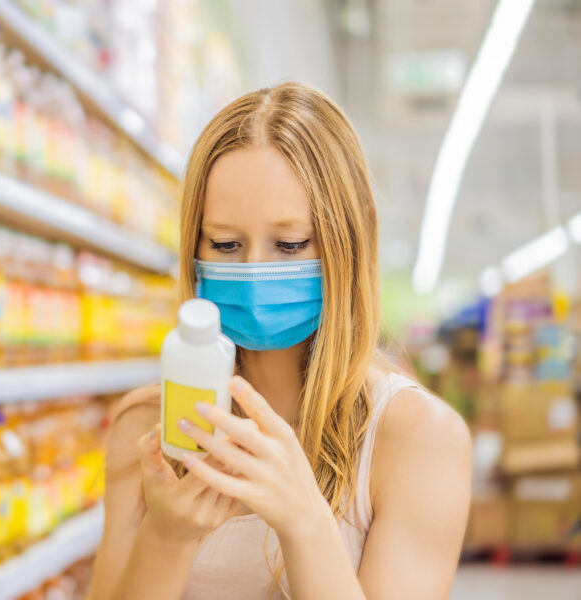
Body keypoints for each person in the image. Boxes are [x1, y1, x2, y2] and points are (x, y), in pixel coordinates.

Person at [89, 83, 471, 600]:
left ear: (347, 244)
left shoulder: (418, 438)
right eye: (224, 244)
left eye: (290, 244)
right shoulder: (146, 428)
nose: (254, 271)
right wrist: (168, 535)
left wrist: (305, 521)